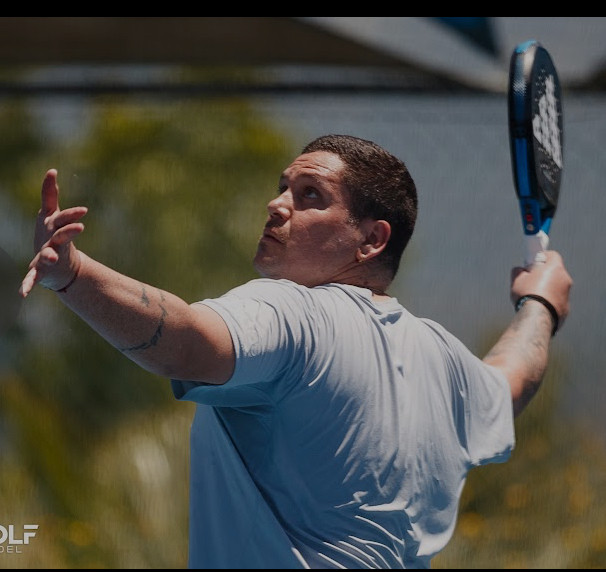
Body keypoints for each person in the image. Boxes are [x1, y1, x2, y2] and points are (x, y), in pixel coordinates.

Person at [20, 134, 572, 569]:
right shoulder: (444, 358)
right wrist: (540, 306)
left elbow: (186, 344)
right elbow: (512, 380)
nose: (277, 204)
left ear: (372, 239)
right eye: (283, 187)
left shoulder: (293, 312)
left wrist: (72, 273)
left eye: (310, 196)